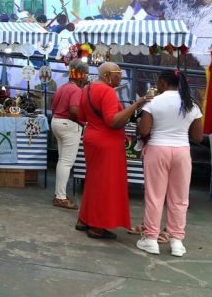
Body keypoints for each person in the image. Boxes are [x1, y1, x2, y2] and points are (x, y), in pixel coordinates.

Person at [76, 62, 148, 239]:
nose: (121, 77)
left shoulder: (87, 89)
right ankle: (97, 227)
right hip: (107, 141)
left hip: (91, 137)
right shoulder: (108, 91)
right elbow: (112, 121)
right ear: (107, 74)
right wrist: (136, 105)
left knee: (94, 180)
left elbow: (80, 116)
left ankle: (84, 219)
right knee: (106, 184)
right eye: (118, 73)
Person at [135, 70, 203, 256]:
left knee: (155, 196)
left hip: (157, 149)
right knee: (180, 198)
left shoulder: (154, 102)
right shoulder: (192, 105)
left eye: (159, 83)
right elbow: (198, 137)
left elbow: (144, 131)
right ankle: (176, 242)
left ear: (164, 83)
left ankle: (150, 239)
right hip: (182, 151)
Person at [50, 59, 89, 210]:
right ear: (80, 75)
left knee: (62, 161)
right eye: (84, 74)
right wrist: (83, 122)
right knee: (66, 162)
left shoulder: (63, 87)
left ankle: (59, 194)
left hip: (57, 122)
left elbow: (53, 106)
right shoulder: (76, 90)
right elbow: (74, 110)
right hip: (68, 125)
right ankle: (60, 197)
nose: (86, 77)